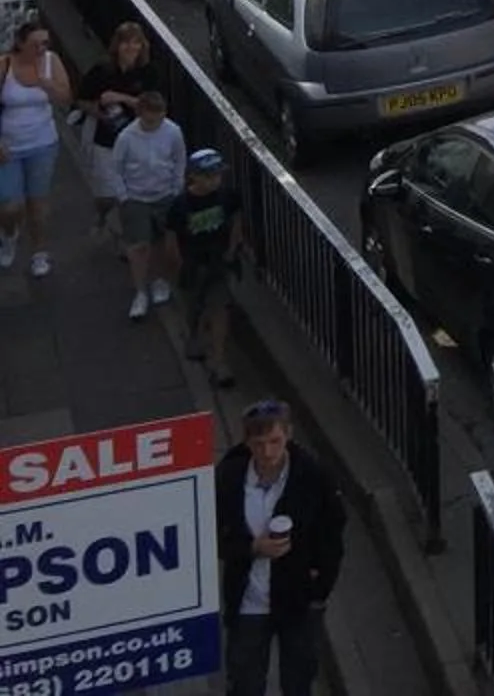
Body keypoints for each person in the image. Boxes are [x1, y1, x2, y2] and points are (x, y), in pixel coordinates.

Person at [216, 401, 346, 696]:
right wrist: (252, 547)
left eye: (275, 442)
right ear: (247, 441)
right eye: (259, 444)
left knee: (298, 682)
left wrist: (320, 587)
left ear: (288, 435)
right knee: (245, 684)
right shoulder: (229, 478)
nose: (268, 452)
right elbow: (215, 535)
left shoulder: (313, 476)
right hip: (249, 602)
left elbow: (332, 532)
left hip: (298, 601)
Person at [76, 19, 166, 240]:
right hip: (106, 138)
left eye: (136, 43)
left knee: (129, 194)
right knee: (107, 194)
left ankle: (127, 239)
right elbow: (81, 100)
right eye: (126, 43)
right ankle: (102, 214)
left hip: (138, 138)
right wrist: (99, 111)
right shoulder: (102, 70)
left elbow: (154, 105)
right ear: (117, 45)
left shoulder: (149, 72)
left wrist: (121, 98)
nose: (131, 48)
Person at [168, 147, 246, 386]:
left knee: (219, 307)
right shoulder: (181, 206)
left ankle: (218, 361)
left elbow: (236, 222)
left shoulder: (227, 196)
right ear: (194, 177)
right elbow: (172, 239)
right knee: (194, 306)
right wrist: (178, 265)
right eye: (209, 176)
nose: (215, 181)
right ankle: (195, 334)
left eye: (218, 175)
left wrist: (232, 250)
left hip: (218, 262)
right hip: (193, 264)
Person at [110, 85, 189, 320]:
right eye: (150, 117)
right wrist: (123, 196)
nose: (155, 121)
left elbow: (179, 160)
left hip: (165, 195)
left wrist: (176, 189)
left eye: (159, 116)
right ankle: (141, 292)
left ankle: (160, 281)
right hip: (136, 198)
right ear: (141, 114)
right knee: (139, 247)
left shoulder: (173, 132)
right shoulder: (126, 138)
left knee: (165, 244)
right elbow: (116, 169)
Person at [0, 19, 72, 275]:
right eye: (35, 44)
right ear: (20, 44)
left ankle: (39, 252)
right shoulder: (5, 64)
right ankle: (8, 235)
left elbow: (66, 98)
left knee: (38, 204)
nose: (41, 49)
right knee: (9, 206)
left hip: (42, 142)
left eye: (45, 43)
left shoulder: (52, 62)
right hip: (9, 146)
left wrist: (47, 84)